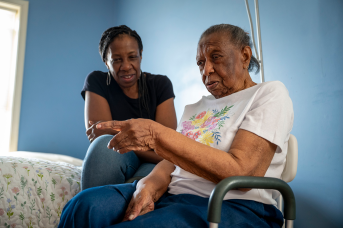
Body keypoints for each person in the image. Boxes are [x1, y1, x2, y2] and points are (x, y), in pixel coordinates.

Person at [59, 24, 294, 228]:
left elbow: (241, 172)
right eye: (201, 63)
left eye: (216, 57)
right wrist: (147, 186)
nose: (206, 70)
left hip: (234, 205)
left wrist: (155, 134)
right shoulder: (195, 107)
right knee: (83, 206)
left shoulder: (268, 93)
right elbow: (171, 163)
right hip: (174, 197)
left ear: (244, 56)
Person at [81, 25, 177, 190]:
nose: (126, 66)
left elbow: (166, 146)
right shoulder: (97, 81)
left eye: (132, 57)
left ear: (140, 56)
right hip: (127, 156)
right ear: (106, 62)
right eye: (117, 59)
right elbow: (101, 136)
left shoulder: (160, 85)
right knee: (103, 146)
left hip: (153, 162)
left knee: (149, 180)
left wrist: (114, 132)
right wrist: (145, 140)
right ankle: (93, 211)